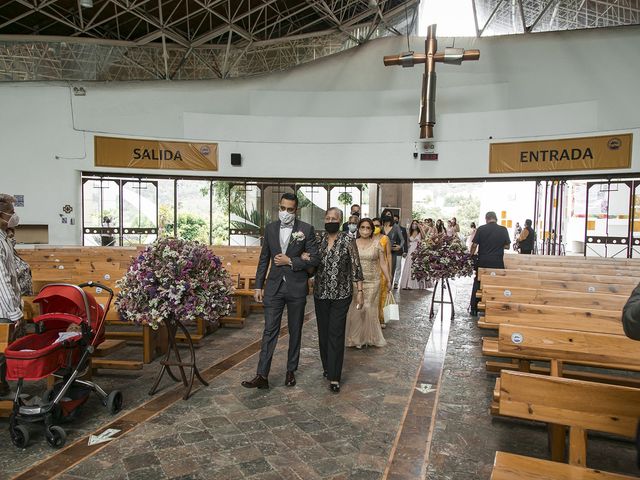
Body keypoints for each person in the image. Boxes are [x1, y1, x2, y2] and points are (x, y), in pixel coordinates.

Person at [242, 193, 320, 390]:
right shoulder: (270, 228)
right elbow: (264, 259)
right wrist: (258, 285)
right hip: (274, 287)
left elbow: (315, 259)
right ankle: (262, 375)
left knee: (295, 330)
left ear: (296, 210)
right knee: (269, 330)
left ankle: (290, 371)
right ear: (279, 207)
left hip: (296, 287)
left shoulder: (306, 229)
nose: (285, 212)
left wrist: (291, 261)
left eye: (290, 209)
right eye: (283, 208)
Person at [311, 207, 364, 393]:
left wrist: (360, 290)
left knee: (336, 333)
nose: (330, 220)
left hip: (342, 294)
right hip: (321, 293)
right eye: (327, 217)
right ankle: (327, 366)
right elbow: (311, 261)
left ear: (340, 221)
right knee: (323, 333)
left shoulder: (348, 240)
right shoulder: (318, 240)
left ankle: (335, 376)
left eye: (334, 218)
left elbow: (356, 265)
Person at [345, 218, 391, 349]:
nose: (365, 230)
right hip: (356, 281)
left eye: (368, 228)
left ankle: (370, 337)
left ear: (372, 230)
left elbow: (383, 262)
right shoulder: (352, 243)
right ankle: (355, 338)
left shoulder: (377, 244)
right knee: (358, 307)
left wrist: (388, 278)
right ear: (358, 229)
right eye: (362, 227)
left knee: (368, 306)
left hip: (373, 280)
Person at [0, 194, 24, 397]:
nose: (14, 216)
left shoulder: (3, 237)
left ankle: (2, 386)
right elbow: (2, 280)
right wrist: (15, 313)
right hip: (3, 309)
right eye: (11, 212)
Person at [469, 211, 511, 316]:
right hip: (497, 261)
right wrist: (497, 245)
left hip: (483, 260)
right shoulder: (503, 229)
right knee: (496, 284)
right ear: (496, 218)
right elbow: (507, 246)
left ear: (486, 219)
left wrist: (470, 256)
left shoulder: (481, 229)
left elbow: (474, 245)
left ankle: (474, 308)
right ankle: (494, 308)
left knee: (478, 283)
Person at [372, 217, 392, 328]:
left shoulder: (385, 239)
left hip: (382, 270)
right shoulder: (367, 239)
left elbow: (388, 255)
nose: (376, 227)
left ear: (381, 226)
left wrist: (389, 271)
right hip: (371, 270)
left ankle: (381, 318)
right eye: (374, 225)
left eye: (378, 225)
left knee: (382, 294)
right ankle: (372, 318)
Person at [399, 220, 427, 290]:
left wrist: (420, 227)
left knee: (416, 265)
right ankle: (407, 284)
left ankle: (415, 284)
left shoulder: (420, 232)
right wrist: (406, 251)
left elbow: (424, 237)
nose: (414, 225)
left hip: (417, 250)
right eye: (413, 223)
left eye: (415, 224)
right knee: (409, 265)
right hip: (411, 249)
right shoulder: (410, 232)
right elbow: (408, 241)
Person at [380, 209, 404, 290]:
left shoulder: (395, 227)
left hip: (392, 253)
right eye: (386, 214)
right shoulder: (381, 227)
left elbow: (402, 240)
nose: (388, 216)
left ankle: (389, 292)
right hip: (381, 253)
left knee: (391, 272)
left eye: (389, 214)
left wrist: (399, 247)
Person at [7, 228, 33, 296]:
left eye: (12, 236)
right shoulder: (4, 252)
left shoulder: (13, 252)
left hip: (22, 294)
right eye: (10, 236)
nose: (13, 239)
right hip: (12, 294)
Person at [392, 214, 408, 289]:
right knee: (391, 267)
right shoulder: (389, 228)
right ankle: (390, 281)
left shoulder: (403, 229)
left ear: (398, 220)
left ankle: (396, 282)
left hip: (399, 251)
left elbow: (404, 240)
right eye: (394, 219)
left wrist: (405, 251)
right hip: (390, 250)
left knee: (398, 267)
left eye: (396, 219)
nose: (395, 220)